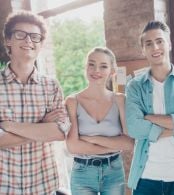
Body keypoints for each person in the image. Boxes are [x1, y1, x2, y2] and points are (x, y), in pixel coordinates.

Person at [125, 20, 174, 195]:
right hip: (146, 177)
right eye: (149, 43)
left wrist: (149, 118)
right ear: (143, 50)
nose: (155, 47)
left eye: (160, 41)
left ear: (169, 44)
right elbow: (135, 128)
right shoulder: (134, 86)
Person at [0, 11, 70, 194]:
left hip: (43, 185)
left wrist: (8, 126)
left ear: (41, 44)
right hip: (4, 186)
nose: (28, 41)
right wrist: (42, 126)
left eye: (35, 37)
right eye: (20, 34)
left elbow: (60, 132)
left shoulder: (51, 86)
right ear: (8, 40)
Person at [65, 47, 134, 195]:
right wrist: (113, 145)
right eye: (92, 64)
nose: (96, 70)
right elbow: (72, 146)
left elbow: (129, 143)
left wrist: (90, 139)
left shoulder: (120, 99)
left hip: (113, 171)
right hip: (82, 173)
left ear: (112, 71)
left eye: (103, 66)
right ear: (86, 67)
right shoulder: (72, 101)